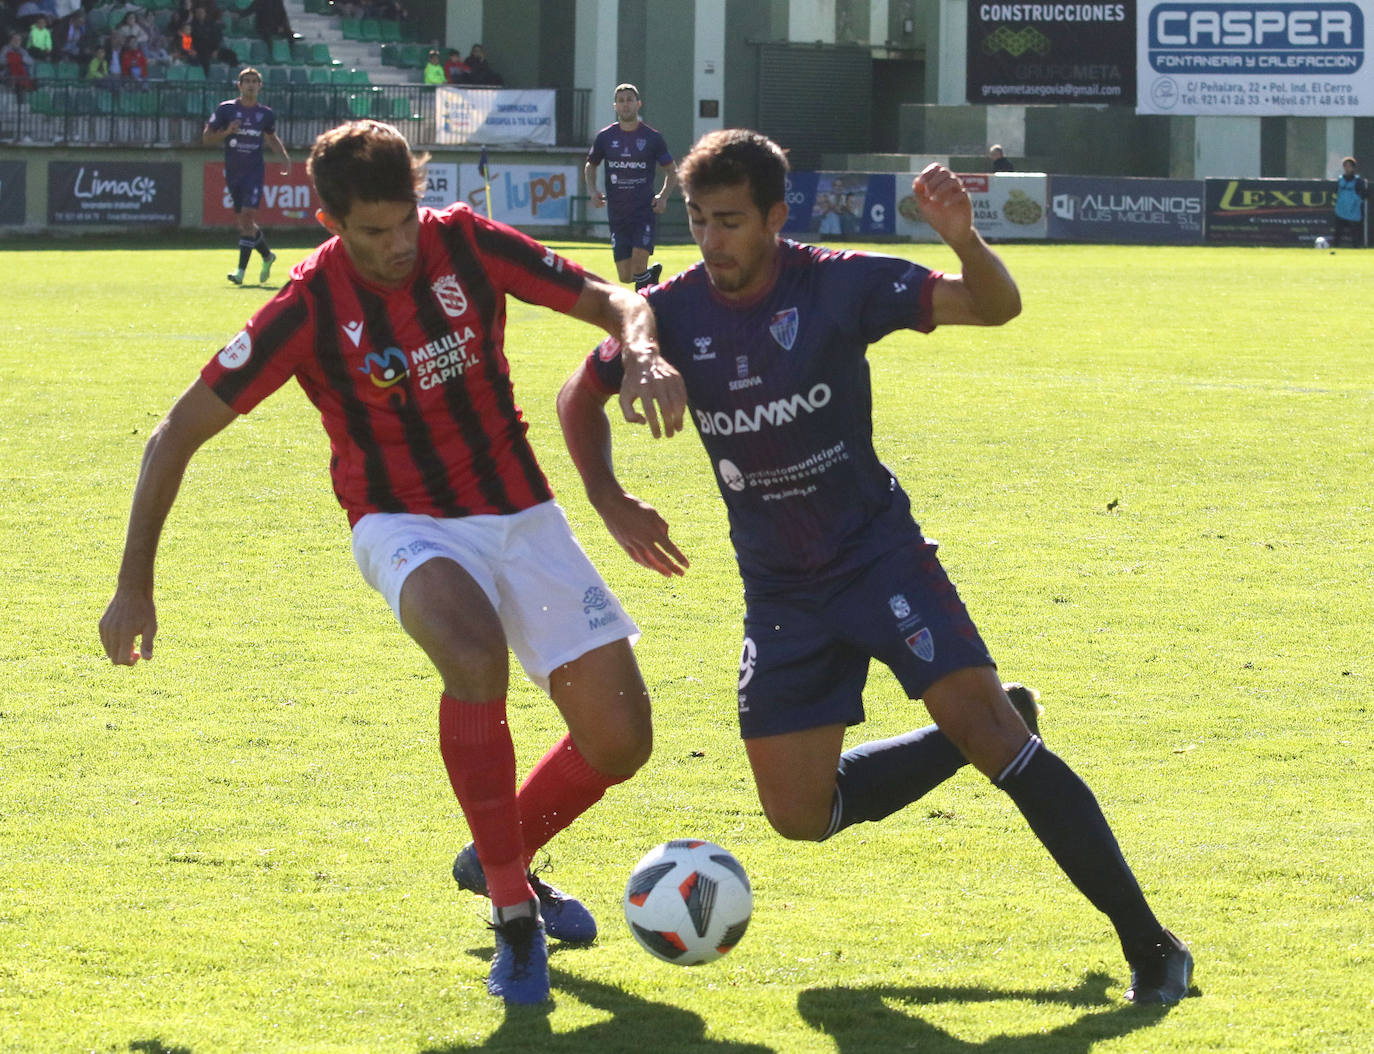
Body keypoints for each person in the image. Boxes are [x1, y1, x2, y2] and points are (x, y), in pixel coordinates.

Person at [557, 128, 1194, 1007]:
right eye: (700, 220)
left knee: (999, 743)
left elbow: (994, 306)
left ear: (777, 217)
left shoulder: (840, 282)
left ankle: (1153, 947)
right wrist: (610, 497)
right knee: (797, 816)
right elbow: (573, 396)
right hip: (781, 589)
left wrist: (964, 239)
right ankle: (964, 734)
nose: (713, 242)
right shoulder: (670, 312)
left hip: (876, 558)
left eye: (732, 222)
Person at [99, 120, 686, 1007]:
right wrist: (133, 582)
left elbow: (618, 300)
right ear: (331, 223)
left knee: (621, 738)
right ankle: (513, 918)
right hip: (404, 523)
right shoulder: (303, 307)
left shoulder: (468, 244)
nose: (396, 245)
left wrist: (639, 350)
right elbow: (174, 434)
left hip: (520, 511)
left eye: (403, 221)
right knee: (475, 656)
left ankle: (497, 850)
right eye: (372, 232)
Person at [202, 67, 291, 286]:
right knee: (244, 223)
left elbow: (271, 137)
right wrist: (226, 132)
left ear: (260, 86)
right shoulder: (226, 110)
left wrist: (285, 158)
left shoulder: (265, 114)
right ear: (239, 85)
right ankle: (268, 256)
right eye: (247, 81)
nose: (251, 85)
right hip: (233, 171)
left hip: (254, 171)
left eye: (254, 81)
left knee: (248, 216)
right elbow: (206, 138)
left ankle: (240, 271)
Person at [583, 82, 677, 290]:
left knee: (638, 263)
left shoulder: (652, 137)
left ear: (638, 104)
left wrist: (662, 196)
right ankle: (649, 277)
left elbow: (671, 171)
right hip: (617, 212)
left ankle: (648, 310)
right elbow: (591, 165)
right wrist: (592, 190)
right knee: (626, 276)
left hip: (644, 211)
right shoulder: (605, 137)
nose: (625, 105)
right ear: (615, 106)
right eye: (621, 101)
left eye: (629, 100)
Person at [1331, 155, 1368, 249]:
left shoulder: (1358, 181)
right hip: (1340, 211)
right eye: (1345, 166)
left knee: (1355, 237)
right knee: (1337, 235)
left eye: (1349, 166)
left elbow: (1364, 195)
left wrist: (1356, 201)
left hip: (1353, 212)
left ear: (1353, 168)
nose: (1347, 168)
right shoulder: (1340, 180)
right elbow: (1335, 192)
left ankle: (1356, 252)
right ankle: (1335, 252)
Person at [1, 31, 35, 99]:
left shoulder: (22, 51)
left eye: (19, 40)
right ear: (11, 40)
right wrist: (11, 59)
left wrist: (21, 59)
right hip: (8, 75)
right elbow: (1, 60)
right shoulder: (5, 49)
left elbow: (31, 61)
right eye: (15, 39)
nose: (17, 41)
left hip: (21, 76)